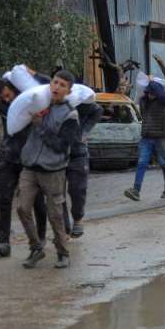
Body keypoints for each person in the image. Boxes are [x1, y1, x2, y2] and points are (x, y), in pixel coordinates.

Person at [18, 71, 80, 269]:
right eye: (55, 82)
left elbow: (62, 145)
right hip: (29, 167)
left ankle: (62, 252)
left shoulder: (70, 114)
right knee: (22, 208)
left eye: (62, 85)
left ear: (68, 90)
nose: (57, 87)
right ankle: (36, 248)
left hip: (53, 170)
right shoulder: (39, 104)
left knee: (55, 214)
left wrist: (40, 126)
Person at [0, 77, 47, 257]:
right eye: (2, 97)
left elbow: (48, 85)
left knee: (37, 202)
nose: (6, 100)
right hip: (9, 158)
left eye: (7, 95)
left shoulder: (31, 101)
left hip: (31, 160)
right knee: (4, 199)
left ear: (14, 88)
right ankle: (4, 243)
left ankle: (40, 238)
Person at [124, 79, 165, 201]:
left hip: (161, 137)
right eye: (149, 92)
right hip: (146, 137)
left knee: (164, 163)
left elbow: (164, 97)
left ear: (157, 92)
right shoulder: (143, 101)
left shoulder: (164, 102)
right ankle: (136, 190)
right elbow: (142, 101)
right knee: (141, 163)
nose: (150, 95)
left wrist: (151, 83)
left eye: (153, 92)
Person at [63, 99, 103, 237]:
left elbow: (98, 110)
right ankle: (63, 226)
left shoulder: (80, 102)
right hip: (56, 153)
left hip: (78, 153)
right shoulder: (50, 102)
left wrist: (84, 132)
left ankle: (77, 218)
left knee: (77, 189)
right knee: (56, 193)